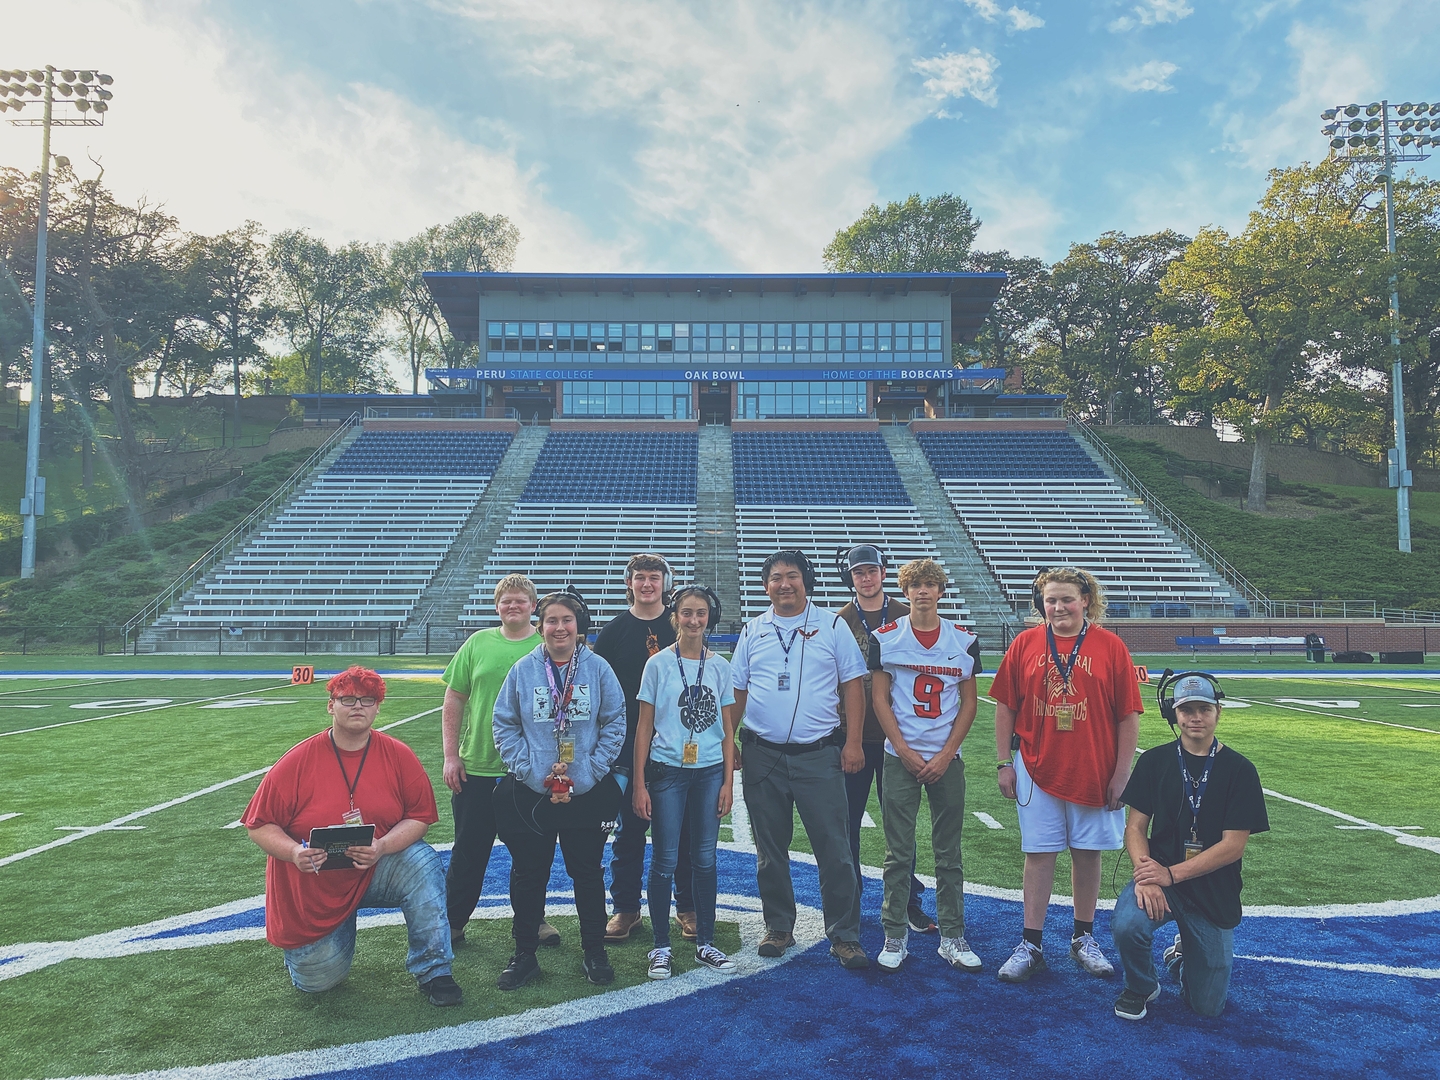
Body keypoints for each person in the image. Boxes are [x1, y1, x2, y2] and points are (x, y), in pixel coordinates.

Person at [242, 666, 461, 1006]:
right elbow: (259, 823)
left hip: (375, 869)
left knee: (421, 862)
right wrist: (292, 852)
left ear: (377, 707)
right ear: (331, 706)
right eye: (347, 699)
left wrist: (383, 846)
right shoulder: (298, 761)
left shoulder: (398, 755)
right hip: (315, 884)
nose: (357, 706)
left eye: (367, 700)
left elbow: (419, 817)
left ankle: (435, 970)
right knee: (318, 983)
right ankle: (311, 948)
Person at [991, 567, 1143, 983]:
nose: (1058, 607)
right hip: (1035, 764)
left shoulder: (1110, 646)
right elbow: (1005, 705)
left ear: (1086, 600)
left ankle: (1083, 938)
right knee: (1038, 853)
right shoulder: (1025, 643)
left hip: (1094, 765)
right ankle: (1031, 943)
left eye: (1067, 599)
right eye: (1051, 599)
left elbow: (1128, 715)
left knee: (1087, 851)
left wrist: (1122, 773)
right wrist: (1005, 761)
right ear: (1041, 603)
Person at [731, 549, 870, 970]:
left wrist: (854, 742)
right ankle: (778, 926)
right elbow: (737, 690)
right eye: (775, 578)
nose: (784, 584)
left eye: (792, 576)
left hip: (818, 753)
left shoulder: (832, 625)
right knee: (770, 849)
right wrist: (729, 743)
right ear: (765, 585)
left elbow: (853, 686)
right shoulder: (753, 629)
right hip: (762, 755)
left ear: (805, 581)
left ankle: (844, 935)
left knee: (835, 848)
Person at [1111, 672, 1269, 1020]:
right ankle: (1140, 986)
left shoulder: (1241, 770)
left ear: (1218, 713)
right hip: (1161, 878)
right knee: (1127, 925)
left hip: (1211, 886)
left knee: (1207, 1007)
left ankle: (1182, 959)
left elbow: (1232, 847)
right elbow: (1135, 827)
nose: (1195, 717)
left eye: (1204, 709)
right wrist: (1146, 873)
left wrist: (1170, 874)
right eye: (1187, 710)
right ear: (1174, 715)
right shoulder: (1154, 761)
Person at [491, 589, 627, 990]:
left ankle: (594, 950)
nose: (559, 628)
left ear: (578, 625)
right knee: (529, 874)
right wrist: (535, 775)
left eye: (567, 620)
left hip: (586, 792)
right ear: (541, 625)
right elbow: (505, 724)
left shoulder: (599, 668)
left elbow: (615, 723)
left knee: (586, 873)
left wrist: (586, 775)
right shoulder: (523, 670)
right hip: (533, 794)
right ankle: (525, 954)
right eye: (551, 620)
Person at [868, 558, 983, 973]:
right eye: (915, 584)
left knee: (948, 853)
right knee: (898, 853)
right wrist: (905, 749)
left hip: (946, 759)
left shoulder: (962, 640)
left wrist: (946, 752)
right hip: (901, 758)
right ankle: (894, 934)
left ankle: (952, 936)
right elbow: (880, 699)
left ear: (940, 590)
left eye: (929, 584)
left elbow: (969, 703)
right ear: (905, 590)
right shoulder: (886, 638)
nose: (922, 591)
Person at [441, 573, 559, 948]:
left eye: (521, 600)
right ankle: (453, 921)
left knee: (532, 854)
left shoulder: (546, 647)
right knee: (468, 851)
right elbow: (454, 698)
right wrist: (450, 755)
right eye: (506, 600)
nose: (513, 606)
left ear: (533, 606)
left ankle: (532, 920)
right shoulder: (478, 643)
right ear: (497, 606)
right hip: (478, 766)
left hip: (529, 771)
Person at [632, 585, 740, 978]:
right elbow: (644, 728)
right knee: (664, 859)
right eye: (687, 613)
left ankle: (705, 943)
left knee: (705, 859)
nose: (694, 620)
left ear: (708, 617)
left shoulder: (720, 665)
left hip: (709, 770)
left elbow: (727, 729)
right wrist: (640, 783)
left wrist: (728, 782)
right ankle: (660, 946)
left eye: (700, 613)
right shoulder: (658, 664)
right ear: (674, 617)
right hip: (668, 772)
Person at [595, 553, 696, 944]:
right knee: (629, 832)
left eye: (655, 577)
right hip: (625, 747)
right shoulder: (615, 630)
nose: (648, 584)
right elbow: (600, 686)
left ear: (666, 583)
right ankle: (626, 908)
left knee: (683, 831)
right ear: (630, 583)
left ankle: (686, 905)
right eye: (640, 577)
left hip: (676, 744)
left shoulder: (681, 626)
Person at [834, 543, 934, 935]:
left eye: (871, 570)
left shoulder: (905, 615)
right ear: (851, 578)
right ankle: (852, 900)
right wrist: (848, 739)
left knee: (900, 825)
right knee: (848, 825)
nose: (866, 577)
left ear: (883, 573)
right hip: (854, 737)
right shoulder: (840, 620)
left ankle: (907, 901)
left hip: (899, 737)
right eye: (859, 572)